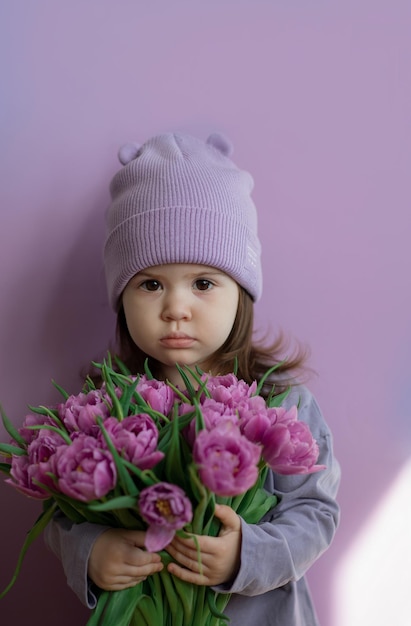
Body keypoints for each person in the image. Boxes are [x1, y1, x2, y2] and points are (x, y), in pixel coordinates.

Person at [44, 131, 341, 625]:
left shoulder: (284, 406)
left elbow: (315, 514)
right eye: (151, 284)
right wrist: (93, 552)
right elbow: (61, 514)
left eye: (204, 283)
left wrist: (249, 553)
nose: (175, 308)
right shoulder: (103, 411)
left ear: (241, 292)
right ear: (122, 298)